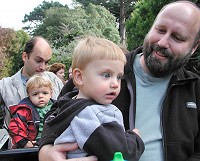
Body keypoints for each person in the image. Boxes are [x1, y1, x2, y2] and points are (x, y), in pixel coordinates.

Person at [39, 1, 200, 161]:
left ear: (194, 47)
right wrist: (46, 153)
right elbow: (57, 115)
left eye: (177, 37)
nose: (163, 42)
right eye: (160, 29)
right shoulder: (103, 67)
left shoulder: (195, 88)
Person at [39, 36, 144, 161]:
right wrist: (135, 139)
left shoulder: (69, 105)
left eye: (119, 77)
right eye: (106, 75)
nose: (115, 84)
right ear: (79, 77)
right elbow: (117, 151)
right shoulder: (87, 114)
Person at [0, 36, 63, 128]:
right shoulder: (4, 86)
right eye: (38, 61)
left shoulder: (54, 80)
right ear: (25, 57)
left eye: (46, 62)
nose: (43, 67)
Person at [8, 74, 54, 148]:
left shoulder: (57, 107)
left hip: (54, 141)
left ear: (51, 94)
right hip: (33, 144)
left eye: (45, 93)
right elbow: (15, 127)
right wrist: (23, 142)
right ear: (29, 96)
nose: (40, 96)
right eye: (35, 94)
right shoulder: (24, 110)